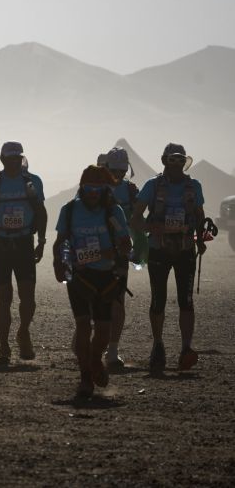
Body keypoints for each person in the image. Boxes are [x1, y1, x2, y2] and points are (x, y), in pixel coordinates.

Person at [53, 165, 132, 397]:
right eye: (89, 188)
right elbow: (59, 242)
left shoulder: (114, 212)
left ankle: (96, 359)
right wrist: (59, 263)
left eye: (99, 188)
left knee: (104, 332)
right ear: (82, 187)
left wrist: (117, 251)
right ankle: (85, 378)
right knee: (83, 325)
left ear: (106, 189)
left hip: (106, 278)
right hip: (79, 277)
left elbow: (126, 244)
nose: (94, 193)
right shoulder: (69, 211)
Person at [0, 142, 47, 367]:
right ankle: (3, 346)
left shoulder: (32, 182)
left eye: (17, 157)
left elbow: (41, 213)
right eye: (9, 158)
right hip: (0, 245)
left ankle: (23, 332)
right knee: (4, 298)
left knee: (28, 296)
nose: (13, 161)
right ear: (2, 159)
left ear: (20, 158)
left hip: (24, 243)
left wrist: (41, 242)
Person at [130, 143, 206, 373]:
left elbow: (200, 215)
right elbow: (136, 217)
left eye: (179, 161)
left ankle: (185, 348)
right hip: (158, 250)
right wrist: (150, 229)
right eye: (171, 161)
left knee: (186, 300)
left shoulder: (194, 186)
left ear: (184, 162)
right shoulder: (152, 185)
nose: (175, 166)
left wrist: (200, 239)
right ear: (164, 161)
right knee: (158, 299)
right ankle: (158, 346)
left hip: (185, 249)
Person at [102, 146, 143, 370]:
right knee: (93, 300)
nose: (117, 175)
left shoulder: (131, 190)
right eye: (113, 170)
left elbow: (138, 219)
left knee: (117, 301)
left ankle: (113, 351)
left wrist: (140, 248)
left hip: (119, 253)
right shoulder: (93, 188)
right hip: (94, 253)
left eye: (121, 170)